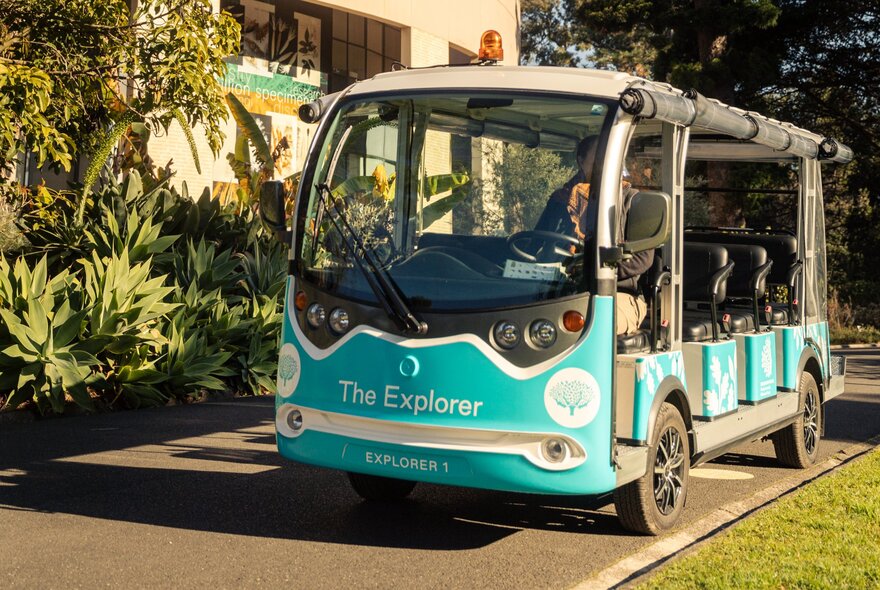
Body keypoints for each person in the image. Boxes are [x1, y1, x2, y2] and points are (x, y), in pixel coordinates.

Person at [535, 136, 653, 335]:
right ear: (581, 161)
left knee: (595, 323)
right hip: (556, 289)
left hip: (618, 294)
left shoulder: (634, 202)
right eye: (598, 157)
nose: (605, 164)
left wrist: (591, 267)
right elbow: (537, 242)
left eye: (611, 157)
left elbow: (643, 259)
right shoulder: (561, 200)